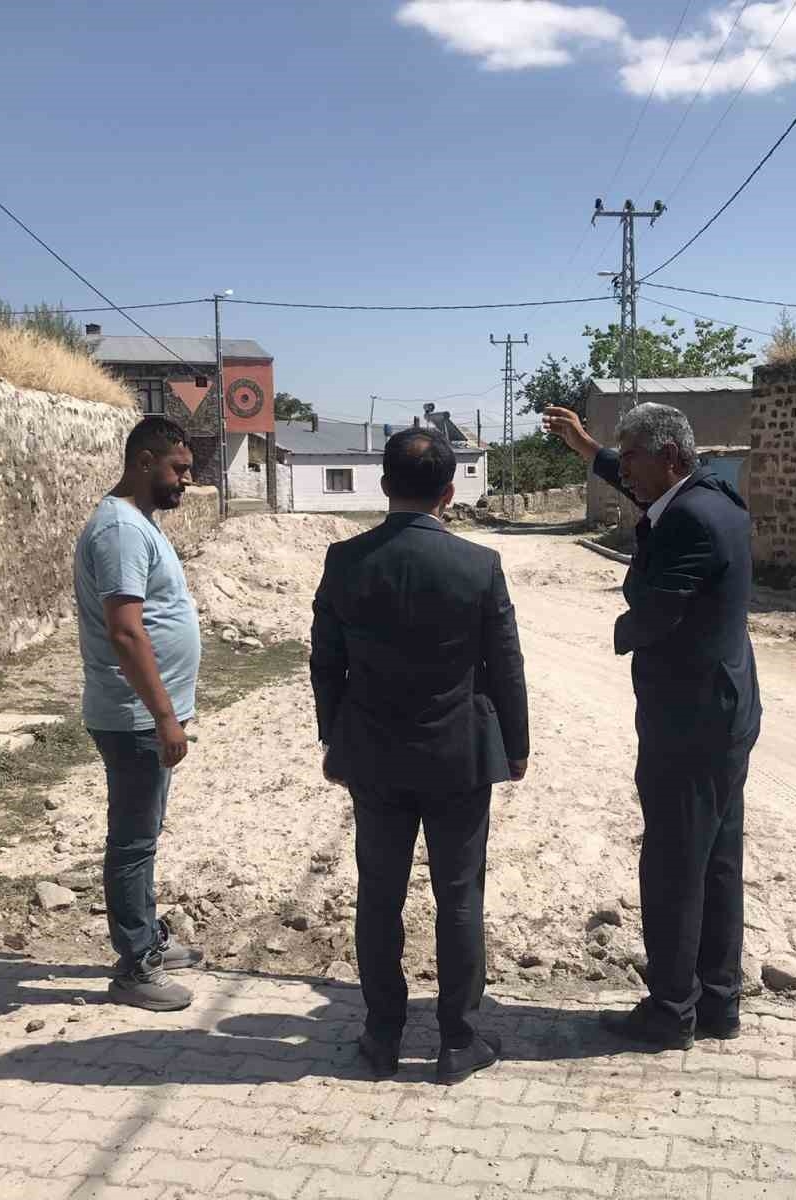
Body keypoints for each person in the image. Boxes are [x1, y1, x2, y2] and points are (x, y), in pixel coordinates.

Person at [310, 428, 529, 1083]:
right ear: (449, 492)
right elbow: (506, 665)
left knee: (379, 896)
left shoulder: (345, 561)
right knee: (459, 896)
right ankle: (458, 1041)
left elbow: (325, 662)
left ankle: (381, 1037)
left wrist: (333, 738)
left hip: (374, 755)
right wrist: (516, 746)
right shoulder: (479, 565)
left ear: (383, 485)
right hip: (459, 755)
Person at [543, 402, 761, 1050]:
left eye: (631, 457)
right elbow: (637, 480)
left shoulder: (687, 519)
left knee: (672, 865)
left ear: (667, 457)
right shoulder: (714, 492)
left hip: (689, 721)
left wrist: (622, 625)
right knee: (715, 862)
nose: (624, 471)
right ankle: (717, 1002)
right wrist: (588, 448)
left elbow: (653, 607)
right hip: (725, 710)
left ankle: (670, 1011)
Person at [73, 415, 203, 1012]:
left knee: (144, 835)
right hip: (134, 717)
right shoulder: (122, 530)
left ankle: (147, 938)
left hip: (145, 714)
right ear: (144, 460)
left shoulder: (138, 523)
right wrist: (165, 717)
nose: (186, 481)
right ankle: (134, 965)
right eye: (179, 469)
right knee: (132, 841)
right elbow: (125, 632)